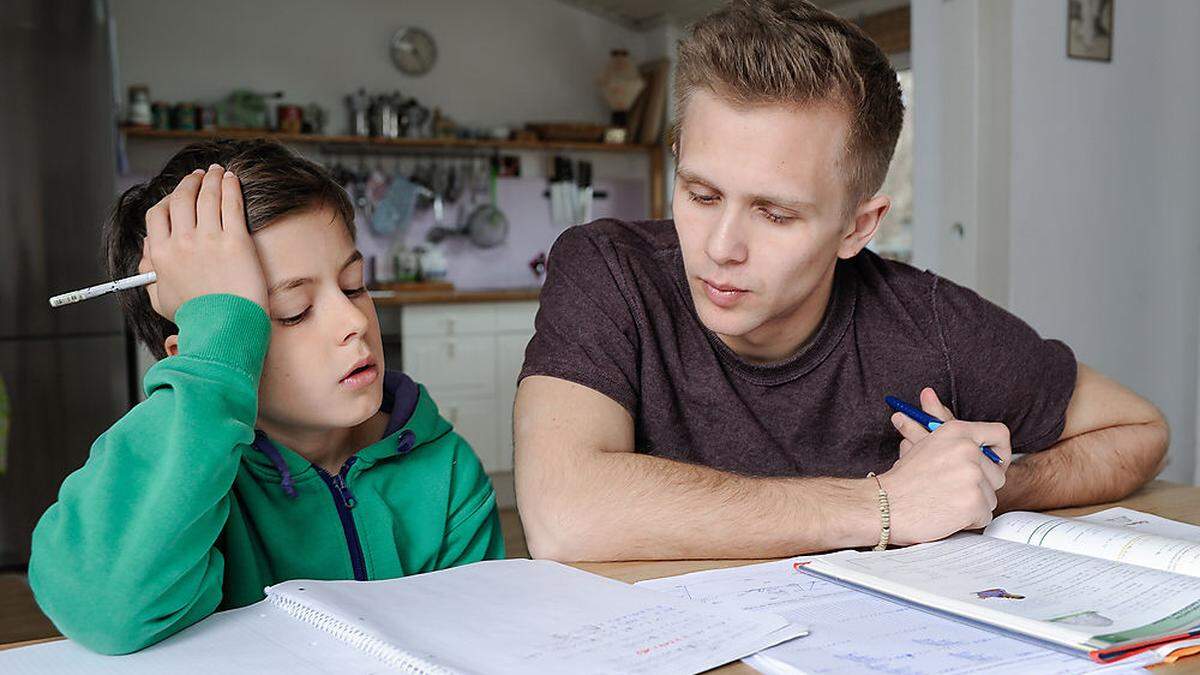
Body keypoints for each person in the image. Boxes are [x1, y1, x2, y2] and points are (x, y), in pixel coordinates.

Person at [514, 0, 1168, 562]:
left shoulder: (927, 322)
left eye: (775, 213)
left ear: (859, 225)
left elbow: (1139, 431)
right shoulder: (607, 268)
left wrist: (988, 482)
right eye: (703, 194)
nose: (720, 248)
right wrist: (884, 504)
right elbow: (562, 510)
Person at [29, 140, 504, 654]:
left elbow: (479, 645)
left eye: (353, 285)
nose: (354, 323)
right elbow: (104, 608)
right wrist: (216, 345)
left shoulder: (444, 470)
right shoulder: (196, 488)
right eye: (293, 311)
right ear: (205, 349)